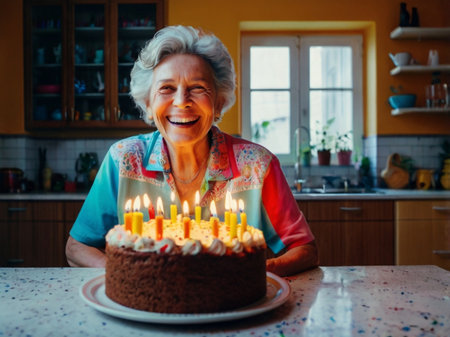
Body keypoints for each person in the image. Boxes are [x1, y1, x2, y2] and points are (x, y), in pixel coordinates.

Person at [66, 25, 318, 276]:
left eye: (198, 88)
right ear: (148, 104)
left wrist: (252, 274)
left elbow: (305, 249)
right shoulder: (122, 160)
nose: (181, 101)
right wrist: (131, 277)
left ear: (219, 103)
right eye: (166, 88)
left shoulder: (257, 166)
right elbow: (77, 247)